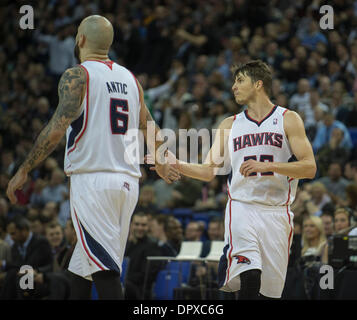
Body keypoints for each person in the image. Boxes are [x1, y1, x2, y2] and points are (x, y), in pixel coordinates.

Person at [6, 15, 180, 300]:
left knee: (104, 270)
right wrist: (160, 158)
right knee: (81, 267)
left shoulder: (78, 75)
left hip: (94, 182)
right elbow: (149, 124)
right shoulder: (130, 79)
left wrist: (24, 168)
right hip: (127, 184)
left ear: (81, 39)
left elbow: (55, 130)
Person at [153, 60, 317, 299]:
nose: (234, 87)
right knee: (249, 275)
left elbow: (310, 168)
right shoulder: (229, 125)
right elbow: (209, 171)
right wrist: (175, 163)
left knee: (269, 293)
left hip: (277, 212)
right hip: (242, 207)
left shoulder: (288, 119)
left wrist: (269, 165)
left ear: (258, 84)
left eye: (240, 80)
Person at [124, 212, 162, 300]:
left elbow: (146, 276)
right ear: (131, 225)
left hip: (140, 290)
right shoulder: (127, 245)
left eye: (143, 225)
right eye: (137, 224)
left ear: (148, 227)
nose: (140, 228)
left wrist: (124, 279)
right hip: (126, 284)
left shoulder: (152, 246)